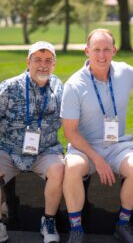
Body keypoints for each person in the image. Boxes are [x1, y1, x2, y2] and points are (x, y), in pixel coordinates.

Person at [60, 28, 133, 243]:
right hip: (85, 147)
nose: (102, 55)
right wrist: (97, 160)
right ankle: (76, 228)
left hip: (117, 145)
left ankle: (123, 224)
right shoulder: (74, 85)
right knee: (73, 167)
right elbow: (70, 132)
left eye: (106, 49)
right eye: (96, 50)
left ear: (114, 50)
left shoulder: (123, 71)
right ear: (87, 51)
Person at [0, 41, 65, 243]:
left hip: (45, 150)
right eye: (37, 60)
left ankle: (48, 221)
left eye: (48, 61)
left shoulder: (58, 86)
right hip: (9, 149)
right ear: (28, 62)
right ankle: (1, 222)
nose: (43, 65)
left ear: (54, 64)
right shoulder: (9, 87)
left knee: (59, 169)